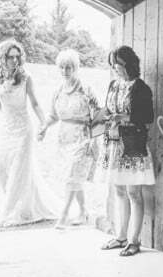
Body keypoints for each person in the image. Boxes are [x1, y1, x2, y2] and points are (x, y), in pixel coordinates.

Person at [0, 39, 53, 226]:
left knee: (19, 171)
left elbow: (34, 103)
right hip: (5, 129)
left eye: (17, 57)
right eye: (10, 57)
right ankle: (21, 205)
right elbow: (0, 106)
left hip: (23, 130)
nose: (14, 60)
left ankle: (10, 212)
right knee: (0, 171)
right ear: (3, 58)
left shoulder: (26, 78)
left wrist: (44, 123)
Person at [97, 46, 156, 257]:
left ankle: (134, 240)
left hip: (132, 145)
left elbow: (148, 116)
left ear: (129, 64)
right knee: (119, 191)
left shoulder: (141, 88)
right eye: (112, 64)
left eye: (119, 64)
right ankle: (120, 236)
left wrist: (125, 118)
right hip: (114, 143)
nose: (115, 68)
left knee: (134, 193)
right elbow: (108, 110)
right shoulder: (113, 85)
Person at [38, 49, 100, 228]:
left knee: (72, 177)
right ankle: (83, 211)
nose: (65, 71)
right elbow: (53, 115)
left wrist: (94, 140)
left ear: (76, 68)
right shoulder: (57, 91)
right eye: (62, 68)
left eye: (69, 67)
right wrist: (44, 127)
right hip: (65, 138)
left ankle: (64, 215)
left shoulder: (86, 90)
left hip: (84, 137)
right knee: (74, 178)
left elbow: (99, 117)